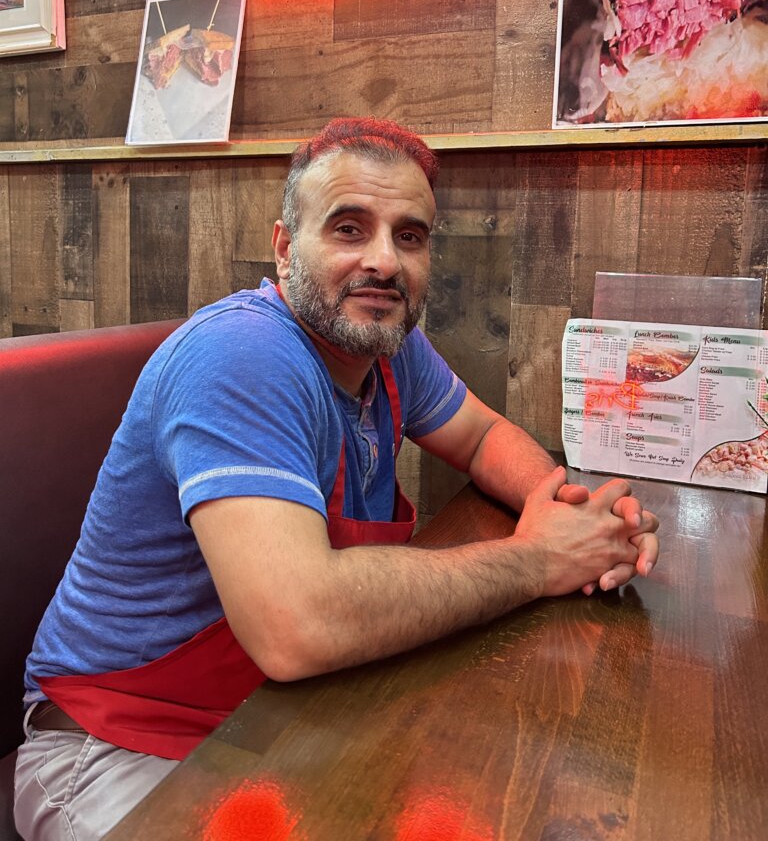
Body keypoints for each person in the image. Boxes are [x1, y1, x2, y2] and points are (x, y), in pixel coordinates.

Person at [14, 117, 659, 841]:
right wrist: (543, 557)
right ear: (285, 249)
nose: (383, 261)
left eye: (409, 236)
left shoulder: (387, 345)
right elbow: (299, 625)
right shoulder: (244, 353)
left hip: (278, 716)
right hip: (116, 747)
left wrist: (567, 509)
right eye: (349, 229)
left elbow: (482, 438)